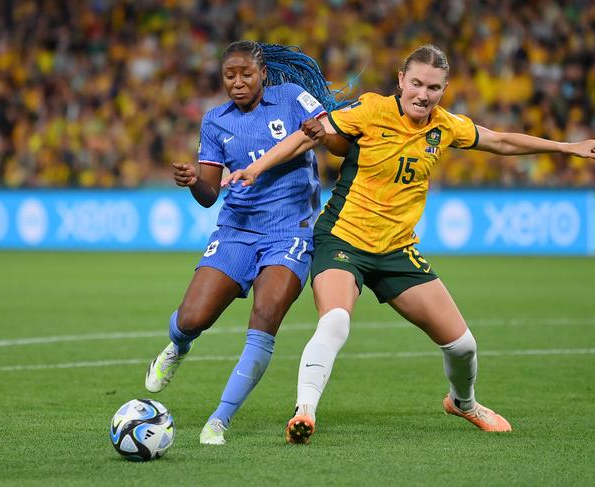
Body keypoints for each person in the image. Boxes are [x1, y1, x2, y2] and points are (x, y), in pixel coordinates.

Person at [223, 44, 595, 444]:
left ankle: (463, 403)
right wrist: (255, 168)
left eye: (433, 87)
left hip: (397, 249)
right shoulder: (370, 110)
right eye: (416, 83)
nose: (423, 94)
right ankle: (305, 412)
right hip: (342, 239)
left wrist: (566, 148)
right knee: (335, 322)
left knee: (463, 347)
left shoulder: (445, 126)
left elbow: (500, 141)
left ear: (444, 88)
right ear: (400, 80)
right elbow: (304, 138)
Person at [144, 40, 345, 445]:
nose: (237, 83)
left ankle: (219, 420)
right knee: (191, 319)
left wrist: (319, 133)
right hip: (236, 229)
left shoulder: (291, 99)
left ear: (263, 74)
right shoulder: (216, 121)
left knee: (265, 317)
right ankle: (177, 347)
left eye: (245, 74)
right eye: (229, 76)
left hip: (290, 232)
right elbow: (208, 194)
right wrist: (193, 183)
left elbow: (337, 141)